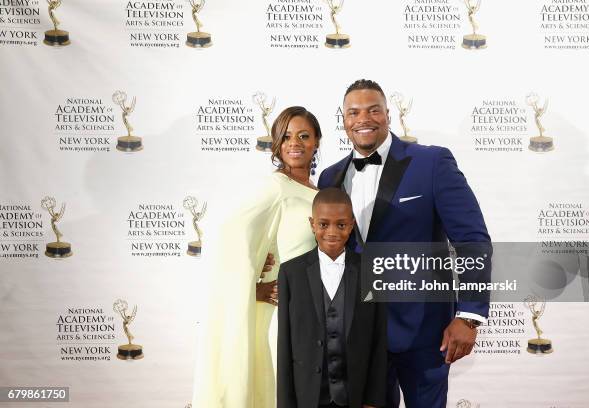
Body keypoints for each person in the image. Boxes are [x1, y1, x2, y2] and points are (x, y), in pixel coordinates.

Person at [317, 79, 491, 408]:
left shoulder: (431, 163)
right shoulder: (330, 177)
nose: (363, 119)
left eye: (373, 110)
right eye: (353, 112)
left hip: (424, 331)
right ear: (343, 120)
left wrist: (469, 315)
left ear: (388, 115)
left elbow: (472, 240)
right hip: (359, 333)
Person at [191, 106, 322, 408]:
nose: (295, 143)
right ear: (276, 143)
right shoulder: (275, 187)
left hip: (311, 313)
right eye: (286, 136)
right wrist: (250, 284)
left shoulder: (320, 190)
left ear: (316, 140)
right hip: (278, 317)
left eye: (304, 135)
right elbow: (224, 233)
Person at [277, 188, 386, 408]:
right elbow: (285, 345)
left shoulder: (372, 270)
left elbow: (378, 340)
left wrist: (373, 401)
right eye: (324, 224)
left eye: (341, 224)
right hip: (308, 397)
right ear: (312, 224)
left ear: (352, 224)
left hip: (354, 396)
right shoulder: (291, 273)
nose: (332, 232)